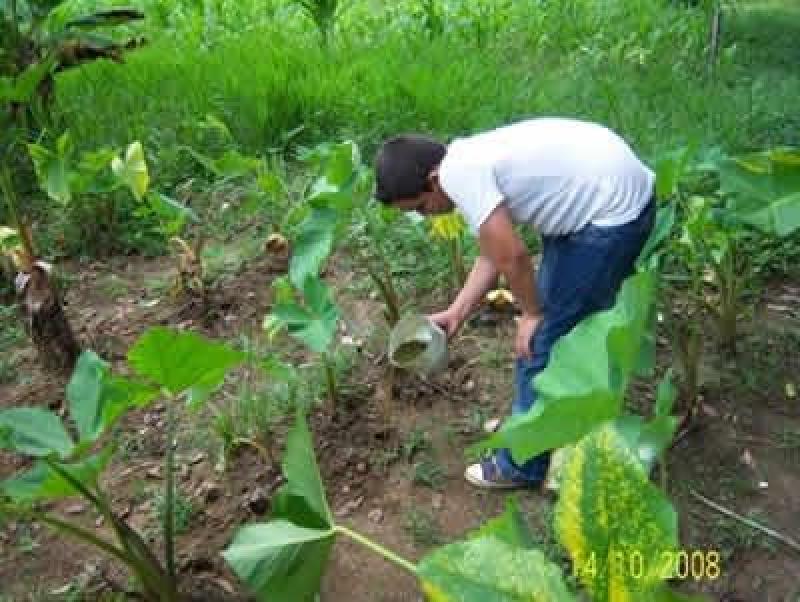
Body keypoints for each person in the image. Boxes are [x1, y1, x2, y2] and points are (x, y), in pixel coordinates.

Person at [373, 117, 655, 489]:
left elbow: (515, 259)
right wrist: (459, 310)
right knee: (563, 331)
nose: (425, 215)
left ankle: (522, 463)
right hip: (601, 192)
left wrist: (532, 313)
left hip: (611, 213)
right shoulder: (463, 159)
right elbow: (494, 252)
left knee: (540, 342)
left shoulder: (461, 176)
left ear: (432, 180)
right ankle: (544, 425)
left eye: (422, 207)